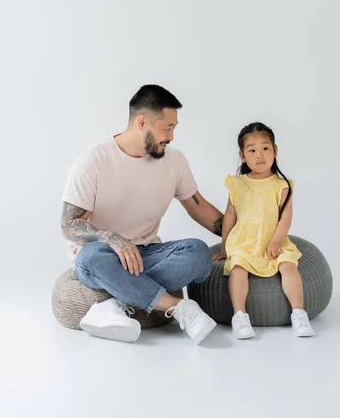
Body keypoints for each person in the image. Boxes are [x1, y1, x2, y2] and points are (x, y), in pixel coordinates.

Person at [61, 84, 223, 345]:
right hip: (103, 256)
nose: (171, 136)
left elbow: (199, 206)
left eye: (174, 128)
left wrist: (243, 235)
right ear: (142, 122)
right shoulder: (92, 160)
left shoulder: (175, 161)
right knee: (91, 257)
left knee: (198, 253)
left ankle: (115, 301)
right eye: (167, 128)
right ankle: (179, 308)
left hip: (147, 254)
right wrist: (112, 239)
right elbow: (69, 225)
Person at [212, 122, 314, 339]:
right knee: (238, 267)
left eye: (265, 148)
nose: (260, 155)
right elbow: (230, 215)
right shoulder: (237, 184)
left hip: (272, 239)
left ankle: (298, 313)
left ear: (275, 151)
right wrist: (225, 247)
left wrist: (276, 241)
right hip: (245, 241)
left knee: (287, 265)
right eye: (252, 150)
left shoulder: (281, 185)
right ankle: (240, 316)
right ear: (242, 156)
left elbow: (285, 217)